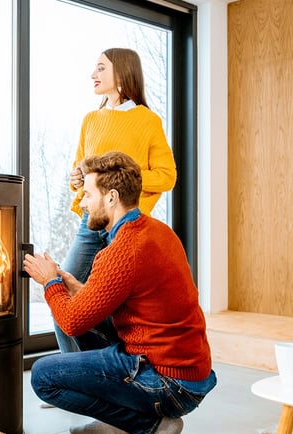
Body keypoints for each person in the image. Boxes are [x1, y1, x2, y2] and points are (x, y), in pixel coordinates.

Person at [23, 152, 214, 434]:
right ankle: (122, 421)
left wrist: (50, 282)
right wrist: (75, 288)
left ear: (111, 197)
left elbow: (71, 322)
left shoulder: (123, 250)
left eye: (88, 195)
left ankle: (150, 424)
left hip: (169, 383)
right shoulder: (157, 231)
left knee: (43, 377)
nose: (83, 203)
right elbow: (124, 300)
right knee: (88, 320)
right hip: (188, 372)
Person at [54, 47, 177, 354]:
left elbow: (166, 175)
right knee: (63, 297)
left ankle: (117, 374)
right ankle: (76, 375)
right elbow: (81, 168)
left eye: (100, 68)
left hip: (124, 228)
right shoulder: (91, 119)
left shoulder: (147, 121)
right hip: (90, 223)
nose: (93, 75)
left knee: (115, 312)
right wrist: (77, 180)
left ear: (121, 73)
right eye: (94, 69)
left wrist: (121, 178)